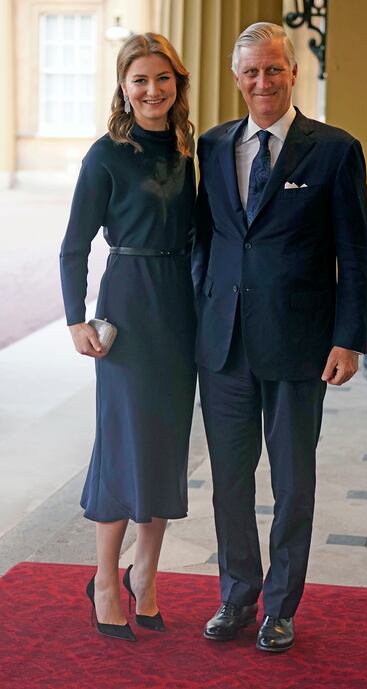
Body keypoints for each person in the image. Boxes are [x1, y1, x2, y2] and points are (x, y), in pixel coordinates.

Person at [192, 22, 367, 652]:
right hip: (224, 347)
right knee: (229, 481)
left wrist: (349, 338)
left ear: (292, 72)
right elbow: (208, 241)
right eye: (250, 72)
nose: (261, 82)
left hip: (300, 345)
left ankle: (280, 607)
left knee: (293, 481)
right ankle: (237, 597)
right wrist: (201, 312)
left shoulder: (335, 149)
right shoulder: (213, 148)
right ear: (237, 77)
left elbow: (355, 254)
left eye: (273, 69)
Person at [60, 33, 197, 641]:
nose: (152, 90)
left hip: (180, 306)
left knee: (166, 442)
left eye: (162, 79)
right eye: (139, 80)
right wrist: (75, 319)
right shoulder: (106, 155)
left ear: (178, 84)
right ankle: (105, 580)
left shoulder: (192, 149)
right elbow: (73, 246)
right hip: (128, 304)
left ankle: (146, 574)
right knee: (123, 442)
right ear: (123, 86)